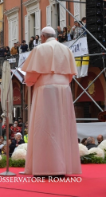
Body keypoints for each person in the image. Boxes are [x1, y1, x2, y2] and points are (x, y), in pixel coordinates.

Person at [21, 26, 81, 177]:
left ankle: (45, 168)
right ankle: (64, 167)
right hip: (64, 89)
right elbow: (70, 75)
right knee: (62, 126)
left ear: (42, 36)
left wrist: (30, 82)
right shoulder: (67, 50)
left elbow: (31, 76)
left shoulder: (39, 49)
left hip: (45, 90)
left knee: (45, 126)